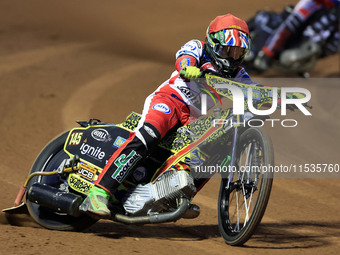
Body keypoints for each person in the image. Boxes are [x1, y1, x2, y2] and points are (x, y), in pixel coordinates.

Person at [80, 13, 253, 218]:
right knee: (150, 135)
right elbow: (184, 59)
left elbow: (257, 92)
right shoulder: (197, 47)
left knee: (208, 152)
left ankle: (175, 197)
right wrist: (188, 68)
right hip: (168, 101)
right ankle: (99, 192)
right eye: (227, 50)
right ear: (213, 44)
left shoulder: (238, 74)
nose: (232, 57)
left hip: (191, 118)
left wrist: (287, 99)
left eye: (237, 53)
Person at [254, 0, 339, 71]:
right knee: (291, 23)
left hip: (333, 9)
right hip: (316, 2)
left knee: (333, 44)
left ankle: (303, 59)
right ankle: (266, 54)